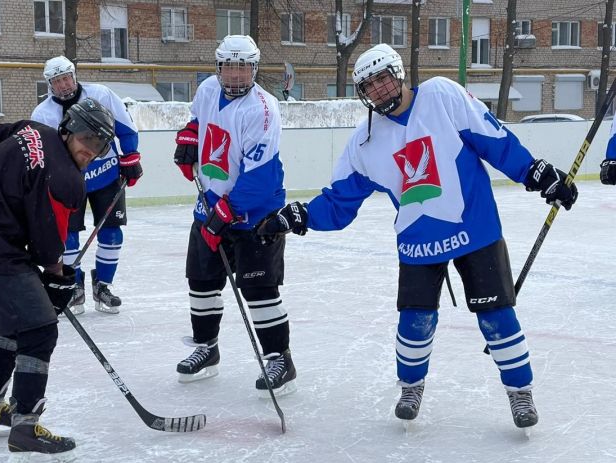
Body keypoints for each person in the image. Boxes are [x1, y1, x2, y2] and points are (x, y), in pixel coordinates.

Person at [256, 44, 578, 429]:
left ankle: (520, 393)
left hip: (474, 228)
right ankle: (411, 386)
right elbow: (340, 203)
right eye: (369, 85)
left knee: (497, 316)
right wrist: (300, 216)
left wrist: (536, 173)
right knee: (414, 320)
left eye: (383, 78)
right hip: (417, 237)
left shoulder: (442, 96)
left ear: (399, 74)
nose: (379, 89)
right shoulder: (365, 143)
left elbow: (494, 140)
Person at [0, 98, 116, 463]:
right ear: (68, 129)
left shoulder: (31, 130)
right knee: (39, 329)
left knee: (13, 325)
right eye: (86, 139)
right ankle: (25, 428)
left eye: (99, 145)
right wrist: (59, 280)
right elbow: (48, 247)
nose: (89, 150)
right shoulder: (67, 179)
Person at [172, 35, 296, 397]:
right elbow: (197, 120)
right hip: (211, 200)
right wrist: (189, 140)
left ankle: (279, 358)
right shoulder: (209, 89)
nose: (236, 75)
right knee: (201, 281)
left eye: (243, 67)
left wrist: (225, 214)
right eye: (229, 66)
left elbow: (261, 176)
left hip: (255, 210)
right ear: (218, 67)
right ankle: (207, 348)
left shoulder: (263, 109)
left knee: (258, 288)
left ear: (254, 69)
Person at [31, 55, 143, 315]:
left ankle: (103, 285)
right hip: (70, 182)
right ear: (50, 85)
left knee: (112, 233)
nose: (64, 85)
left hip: (106, 175)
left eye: (66, 78)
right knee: (67, 238)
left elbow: (126, 126)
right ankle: (75, 286)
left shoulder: (101, 94)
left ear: (74, 75)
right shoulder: (43, 113)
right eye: (57, 81)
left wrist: (130, 156)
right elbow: (42, 151)